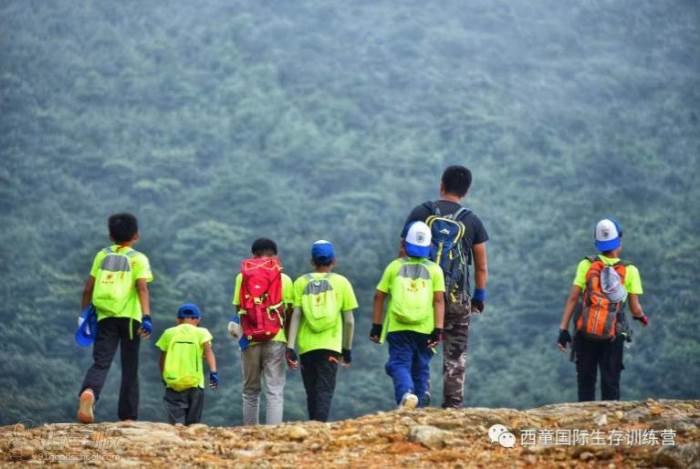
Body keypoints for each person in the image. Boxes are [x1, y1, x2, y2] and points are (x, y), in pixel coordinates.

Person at [402, 165, 489, 408]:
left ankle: (419, 396)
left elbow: (402, 252)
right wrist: (479, 296)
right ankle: (452, 405)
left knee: (421, 348)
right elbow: (481, 266)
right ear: (466, 190)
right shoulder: (472, 221)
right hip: (457, 298)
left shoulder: (422, 212)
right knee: (455, 354)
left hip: (422, 295)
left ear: (442, 184)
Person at [557, 218, 649, 401]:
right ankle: (611, 425)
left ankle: (584, 423)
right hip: (614, 334)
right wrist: (641, 317)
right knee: (611, 382)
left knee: (585, 382)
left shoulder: (586, 264)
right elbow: (634, 307)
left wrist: (563, 329)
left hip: (585, 333)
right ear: (619, 242)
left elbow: (574, 298)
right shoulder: (630, 270)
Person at [77, 213, 154, 423]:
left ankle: (90, 392)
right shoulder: (138, 258)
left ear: (110, 235)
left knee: (101, 362)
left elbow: (88, 289)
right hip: (130, 318)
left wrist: (84, 315)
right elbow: (142, 288)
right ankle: (128, 415)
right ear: (136, 235)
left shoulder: (101, 255)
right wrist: (146, 316)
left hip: (104, 316)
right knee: (130, 367)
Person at [371, 222, 445, 408]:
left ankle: (406, 394)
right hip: (425, 328)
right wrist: (438, 330)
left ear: (405, 245)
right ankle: (420, 404)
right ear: (429, 246)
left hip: (399, 327)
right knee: (421, 367)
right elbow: (438, 301)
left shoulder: (394, 267)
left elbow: (379, 296)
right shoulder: (435, 270)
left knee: (399, 364)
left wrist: (377, 325)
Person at [286, 240, 358, 422]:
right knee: (324, 390)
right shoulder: (342, 283)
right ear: (334, 260)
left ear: (312, 261)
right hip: (331, 346)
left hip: (306, 347)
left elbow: (296, 315)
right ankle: (319, 428)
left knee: (311, 391)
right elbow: (349, 321)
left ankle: (312, 427)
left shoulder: (301, 282)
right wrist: (347, 349)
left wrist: (290, 347)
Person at [228, 238, 294, 425]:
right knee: (274, 389)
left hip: (249, 338)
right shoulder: (284, 278)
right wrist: (289, 344)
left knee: (250, 390)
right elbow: (288, 312)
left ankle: (250, 432)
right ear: (274, 255)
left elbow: (238, 308)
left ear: (253, 255)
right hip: (276, 337)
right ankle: (272, 432)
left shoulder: (242, 277)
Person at [156, 304, 218, 425]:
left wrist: (164, 377)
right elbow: (209, 352)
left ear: (178, 319)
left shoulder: (168, 333)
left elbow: (161, 360)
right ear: (198, 319)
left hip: (173, 383)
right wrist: (213, 372)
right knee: (193, 424)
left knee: (176, 424)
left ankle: (177, 442)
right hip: (195, 384)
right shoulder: (202, 332)